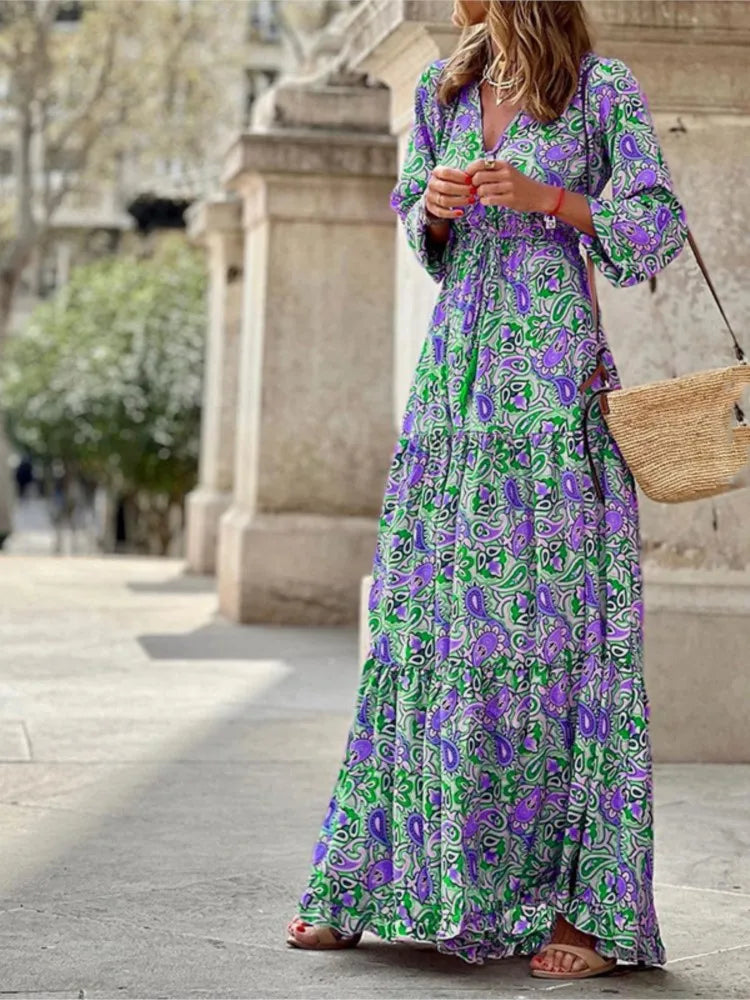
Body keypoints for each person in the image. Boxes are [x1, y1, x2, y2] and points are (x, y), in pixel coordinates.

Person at [285, 0, 688, 981]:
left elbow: (655, 225)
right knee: (431, 626)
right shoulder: (444, 89)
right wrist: (436, 208)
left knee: (555, 636)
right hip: (455, 391)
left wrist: (550, 200)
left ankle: (585, 914)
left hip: (551, 391)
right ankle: (374, 885)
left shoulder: (599, 89)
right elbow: (419, 230)